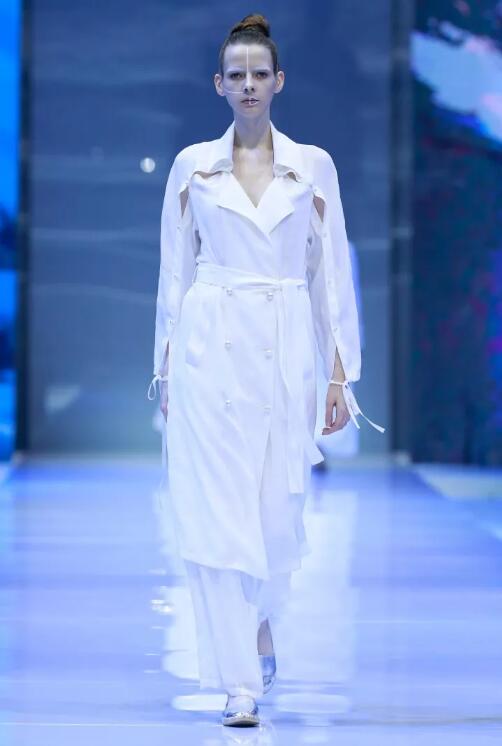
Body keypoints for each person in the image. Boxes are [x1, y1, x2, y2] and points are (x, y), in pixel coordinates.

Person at [147, 13, 384, 728]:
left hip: (285, 352)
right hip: (208, 348)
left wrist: (341, 374)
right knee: (215, 515)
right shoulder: (193, 167)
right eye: (236, 75)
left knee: (277, 518)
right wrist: (165, 370)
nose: (248, 84)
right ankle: (238, 684)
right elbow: (173, 273)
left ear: (279, 81)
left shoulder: (312, 166)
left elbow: (329, 276)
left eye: (259, 74)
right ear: (217, 85)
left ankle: (259, 619)